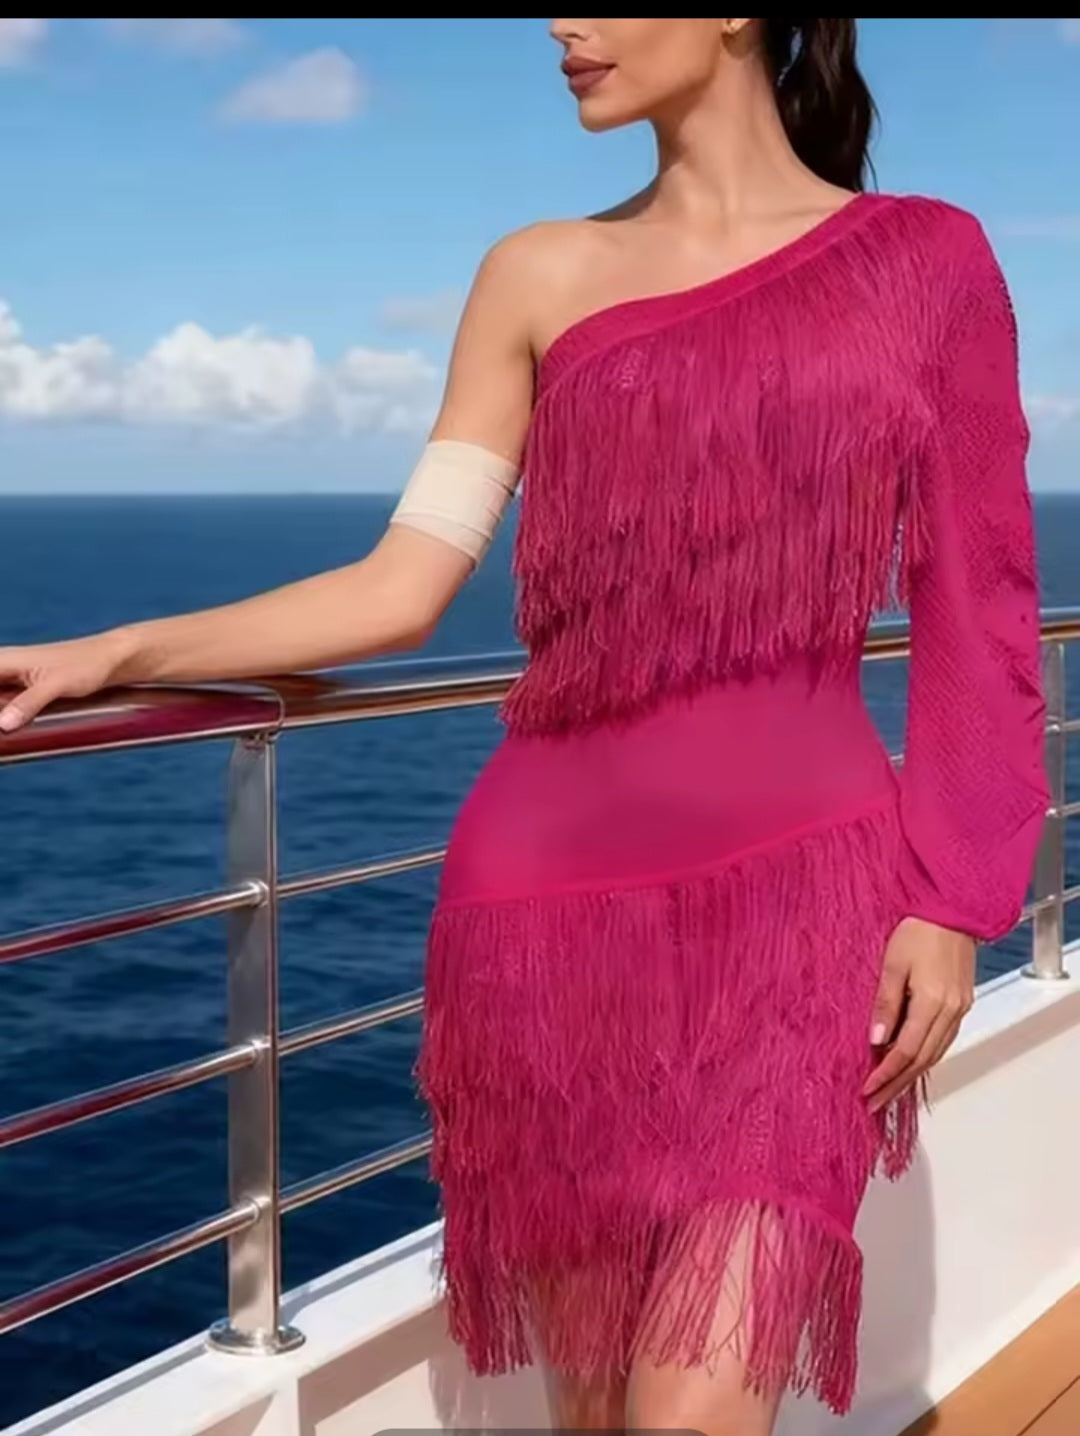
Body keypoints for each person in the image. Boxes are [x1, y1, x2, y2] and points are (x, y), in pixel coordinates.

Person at [0, 18, 1049, 1435]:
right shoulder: (536, 272)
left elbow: (980, 601)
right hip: (543, 928)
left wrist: (953, 895)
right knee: (596, 1416)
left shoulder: (930, 262)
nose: (562, 25)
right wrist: (117, 647)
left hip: (809, 914)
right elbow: (402, 584)